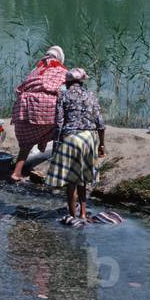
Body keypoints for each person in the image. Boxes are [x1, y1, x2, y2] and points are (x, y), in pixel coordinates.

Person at [45, 69, 106, 221]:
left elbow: (59, 124)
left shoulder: (63, 96)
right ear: (81, 82)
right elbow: (100, 124)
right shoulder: (91, 95)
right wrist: (101, 145)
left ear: (67, 82)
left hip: (70, 138)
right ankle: (83, 214)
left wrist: (56, 145)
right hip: (88, 138)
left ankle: (73, 216)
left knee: (71, 182)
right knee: (83, 180)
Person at [10, 46, 69, 182]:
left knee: (26, 145)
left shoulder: (36, 70)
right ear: (60, 58)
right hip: (47, 109)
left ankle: (16, 173)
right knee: (63, 128)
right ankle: (58, 168)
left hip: (24, 108)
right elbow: (66, 93)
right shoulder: (62, 71)